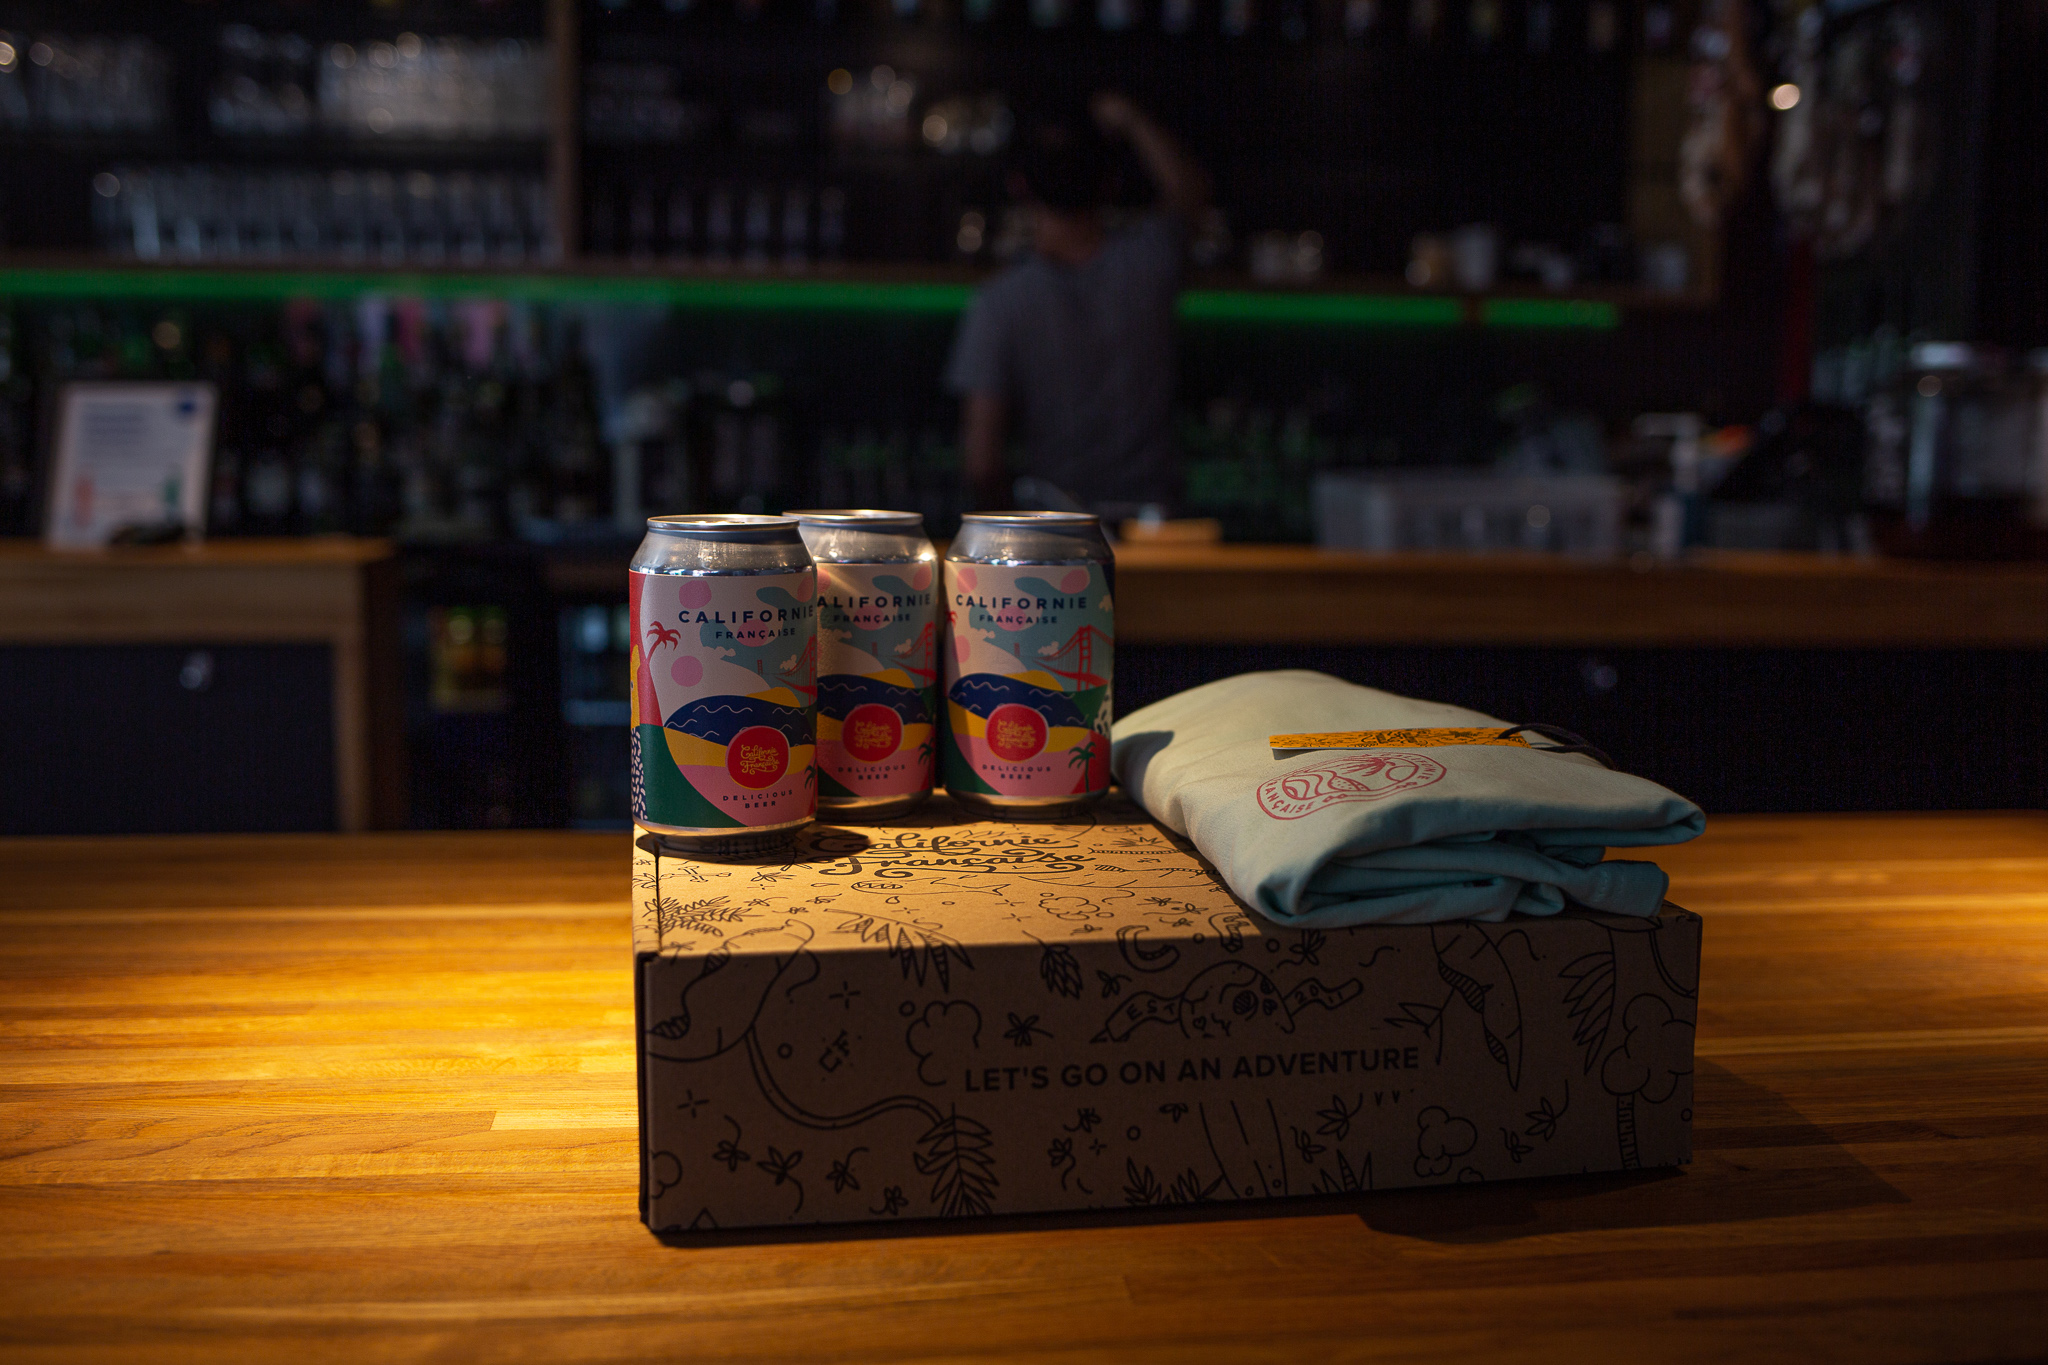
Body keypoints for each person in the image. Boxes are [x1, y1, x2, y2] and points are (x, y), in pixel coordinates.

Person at [945, 93, 1211, 518]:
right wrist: (1130, 118)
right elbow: (1190, 194)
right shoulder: (1149, 264)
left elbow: (981, 463)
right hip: (1155, 526)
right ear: (1110, 183)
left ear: (1019, 186)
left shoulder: (1000, 302)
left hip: (1057, 530)